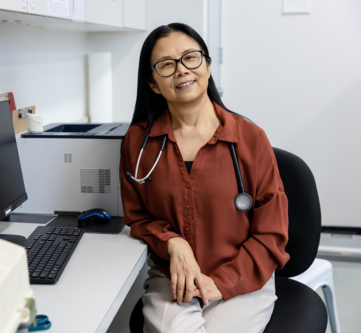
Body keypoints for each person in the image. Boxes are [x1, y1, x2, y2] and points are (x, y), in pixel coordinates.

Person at [120, 23, 289, 333]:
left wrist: (224, 283)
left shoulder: (250, 140)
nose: (182, 70)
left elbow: (271, 234)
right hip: (173, 279)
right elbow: (138, 217)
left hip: (244, 278)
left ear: (207, 66)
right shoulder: (137, 142)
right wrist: (173, 242)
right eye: (167, 65)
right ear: (154, 84)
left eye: (190, 58)